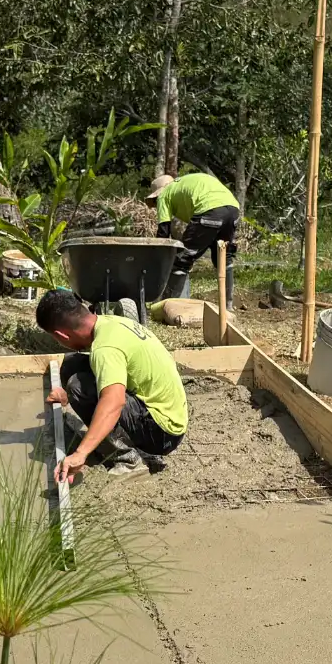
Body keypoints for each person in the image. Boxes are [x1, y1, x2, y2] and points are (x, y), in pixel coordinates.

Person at [37, 289, 187, 480]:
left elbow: (113, 402)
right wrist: (65, 396)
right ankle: (115, 442)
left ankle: (129, 460)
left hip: (162, 433)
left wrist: (80, 453)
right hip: (165, 409)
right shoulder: (109, 322)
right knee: (73, 363)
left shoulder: (105, 349)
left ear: (62, 335)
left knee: (79, 387)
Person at [147, 170, 241, 293]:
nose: (156, 204)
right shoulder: (185, 183)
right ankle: (228, 305)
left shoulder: (164, 194)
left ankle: (169, 302)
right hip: (233, 209)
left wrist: (158, 259)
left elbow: (163, 232)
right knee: (223, 257)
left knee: (183, 259)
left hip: (209, 210)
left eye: (155, 201)